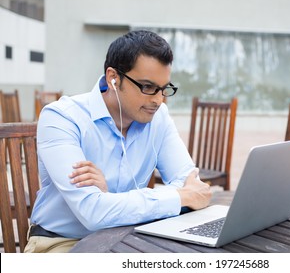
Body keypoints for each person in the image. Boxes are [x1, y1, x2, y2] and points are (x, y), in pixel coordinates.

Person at [24, 30, 212, 253]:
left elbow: (192, 187)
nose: (158, 100)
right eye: (147, 87)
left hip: (130, 236)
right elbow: (93, 214)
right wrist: (178, 197)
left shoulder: (158, 117)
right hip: (63, 243)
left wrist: (110, 198)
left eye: (163, 89)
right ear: (113, 78)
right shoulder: (62, 118)